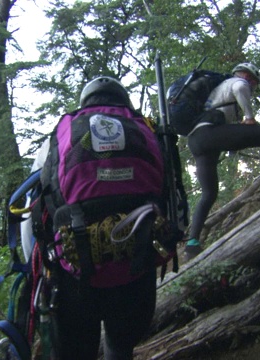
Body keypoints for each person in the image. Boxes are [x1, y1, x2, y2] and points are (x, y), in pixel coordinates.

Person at [27, 76, 158, 360]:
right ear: (124, 101)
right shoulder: (147, 131)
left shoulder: (61, 135)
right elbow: (172, 203)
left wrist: (42, 266)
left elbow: (35, 210)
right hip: (135, 263)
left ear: (84, 102)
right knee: (121, 345)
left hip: (73, 271)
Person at [184, 63, 260, 260]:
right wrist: (250, 117)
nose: (252, 85)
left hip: (196, 140)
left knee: (209, 192)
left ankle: (192, 243)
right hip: (209, 134)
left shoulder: (217, 91)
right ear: (245, 75)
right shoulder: (236, 82)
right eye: (252, 80)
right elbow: (240, 88)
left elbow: (231, 136)